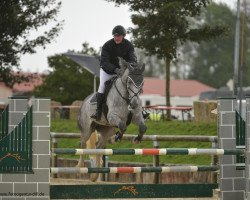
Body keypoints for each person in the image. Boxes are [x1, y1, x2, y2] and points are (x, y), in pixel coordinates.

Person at [91, 25, 149, 120]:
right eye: (115, 36)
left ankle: (141, 110)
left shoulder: (128, 45)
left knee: (133, 86)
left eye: (119, 36)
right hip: (107, 71)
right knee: (101, 87)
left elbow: (133, 59)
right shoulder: (107, 46)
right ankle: (98, 111)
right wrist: (115, 70)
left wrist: (128, 68)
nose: (116, 38)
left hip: (123, 71)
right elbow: (104, 62)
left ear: (123, 36)